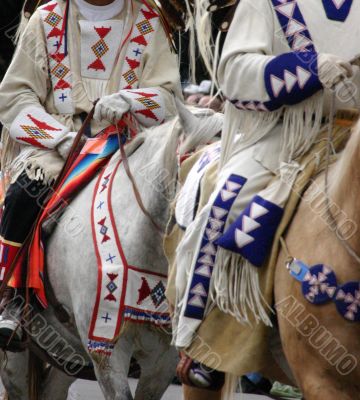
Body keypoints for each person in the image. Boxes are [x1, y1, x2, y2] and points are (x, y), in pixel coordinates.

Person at [172, 0, 360, 394]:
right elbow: (235, 73)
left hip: (355, 137)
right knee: (228, 201)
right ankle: (208, 343)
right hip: (288, 136)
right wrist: (308, 69)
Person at [0, 0, 181, 348]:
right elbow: (16, 95)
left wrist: (132, 99)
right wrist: (57, 137)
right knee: (25, 192)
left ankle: (185, 306)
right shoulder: (47, 18)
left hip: (129, 143)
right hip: (58, 145)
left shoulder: (148, 17)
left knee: (179, 202)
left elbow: (169, 96)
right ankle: (14, 297)